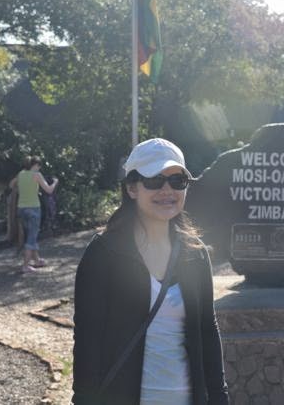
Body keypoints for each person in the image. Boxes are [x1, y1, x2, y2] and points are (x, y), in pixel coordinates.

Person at [72, 138, 229, 405]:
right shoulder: (104, 253)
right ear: (132, 188)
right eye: (155, 180)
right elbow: (88, 340)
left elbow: (207, 332)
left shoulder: (195, 253)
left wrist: (219, 397)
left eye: (177, 180)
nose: (167, 190)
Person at [9, 156, 58, 273]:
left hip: (21, 209)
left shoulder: (21, 174)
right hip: (34, 209)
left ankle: (37, 260)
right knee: (31, 238)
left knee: (31, 235)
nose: (39, 168)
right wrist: (55, 182)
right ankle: (25, 266)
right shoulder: (37, 175)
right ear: (35, 165)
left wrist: (21, 187)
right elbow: (49, 190)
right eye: (39, 165)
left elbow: (11, 185)